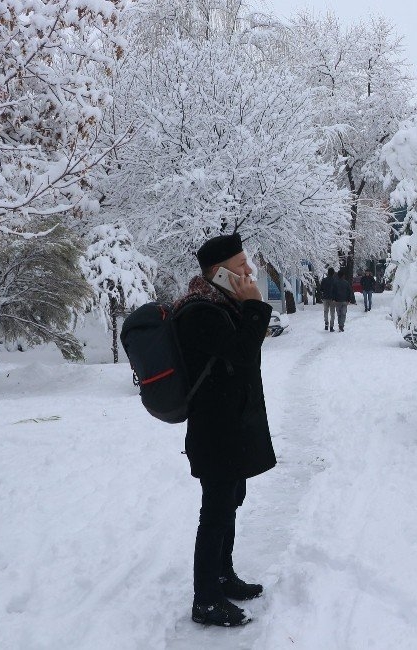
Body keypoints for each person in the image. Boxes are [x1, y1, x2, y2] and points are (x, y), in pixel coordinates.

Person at [174, 233, 276, 628]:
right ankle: (206, 600)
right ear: (218, 274)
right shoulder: (200, 311)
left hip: (231, 429)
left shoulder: (221, 305)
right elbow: (243, 352)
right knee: (214, 513)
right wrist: (253, 305)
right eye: (240, 266)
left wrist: (247, 305)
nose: (249, 271)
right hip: (215, 433)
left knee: (230, 502)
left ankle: (223, 575)